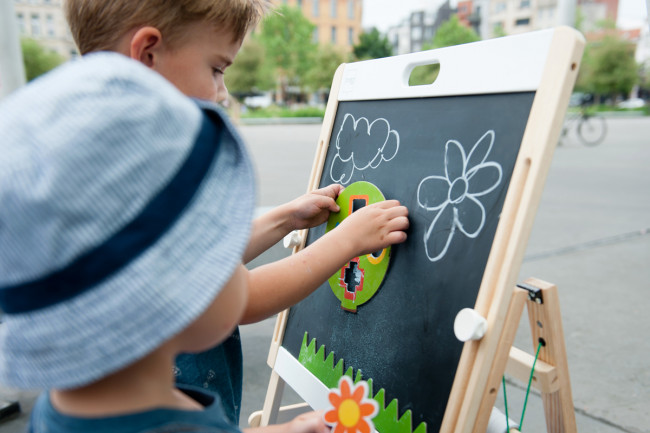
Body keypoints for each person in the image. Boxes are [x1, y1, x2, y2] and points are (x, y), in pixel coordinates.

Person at [0, 50, 406, 432]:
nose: (234, 265)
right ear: (171, 292)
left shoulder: (61, 408)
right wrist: (345, 242)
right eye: (219, 248)